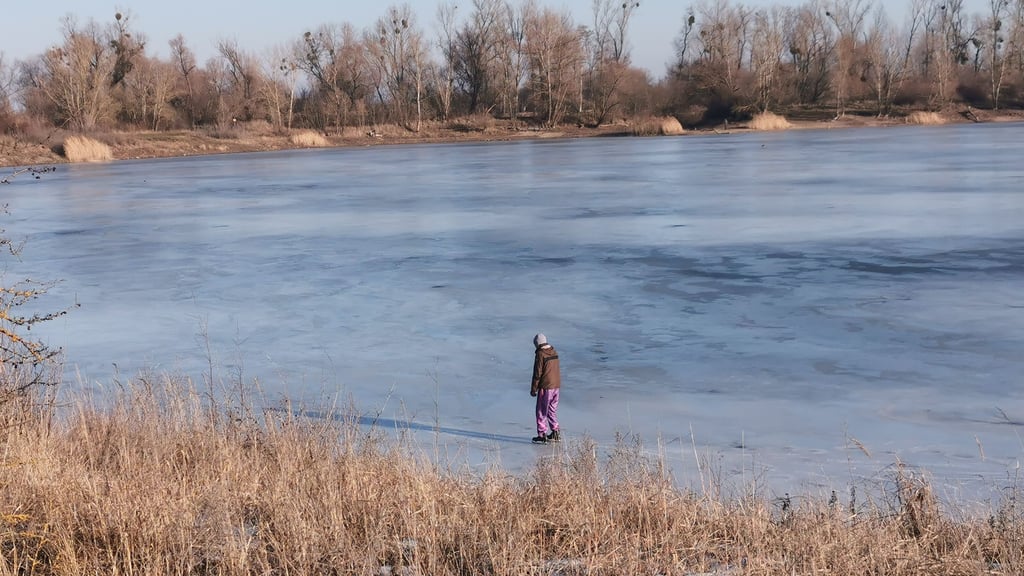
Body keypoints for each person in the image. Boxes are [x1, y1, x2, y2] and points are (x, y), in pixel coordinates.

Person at [530, 333, 561, 443]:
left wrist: (534, 389)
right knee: (551, 410)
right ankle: (555, 431)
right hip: (556, 386)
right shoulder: (554, 351)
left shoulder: (540, 354)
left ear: (537, 344)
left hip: (546, 387)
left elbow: (537, 373)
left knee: (541, 410)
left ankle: (542, 434)